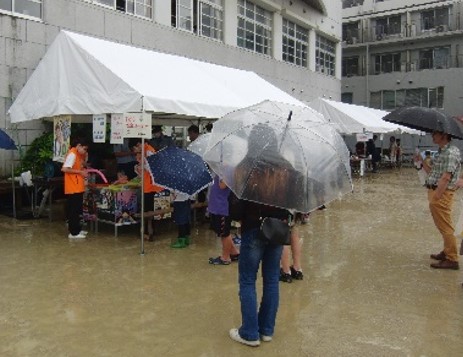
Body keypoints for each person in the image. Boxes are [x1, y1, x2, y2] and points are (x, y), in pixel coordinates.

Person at [229, 124, 295, 347]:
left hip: (253, 229)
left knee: (247, 281)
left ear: (252, 143)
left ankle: (249, 333)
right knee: (272, 280)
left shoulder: (245, 168)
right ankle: (266, 330)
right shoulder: (287, 168)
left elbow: (235, 209)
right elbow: (293, 202)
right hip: (276, 230)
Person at [419, 130, 461, 270]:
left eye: (435, 134)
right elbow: (433, 172)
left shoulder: (450, 152)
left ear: (444, 135)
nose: (432, 136)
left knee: (445, 226)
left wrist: (437, 196)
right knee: (443, 225)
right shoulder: (443, 151)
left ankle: (452, 258)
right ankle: (447, 251)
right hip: (436, 191)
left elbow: (446, 177)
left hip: (441, 193)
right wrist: (420, 162)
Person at [130, 138, 164, 242]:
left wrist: (142, 166)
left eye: (134, 148)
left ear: (138, 144)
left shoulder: (149, 151)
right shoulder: (145, 151)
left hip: (152, 187)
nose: (134, 151)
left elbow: (153, 167)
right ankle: (148, 232)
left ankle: (149, 232)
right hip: (148, 185)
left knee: (148, 211)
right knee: (148, 210)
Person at [208, 175, 240, 265]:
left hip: (222, 207)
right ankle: (234, 252)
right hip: (217, 206)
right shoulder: (222, 170)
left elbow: (222, 185)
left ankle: (225, 257)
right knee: (223, 232)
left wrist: (221, 173)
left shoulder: (226, 171)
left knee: (224, 233)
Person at [61, 137, 89, 239]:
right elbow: (65, 169)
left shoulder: (77, 154)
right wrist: (80, 172)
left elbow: (81, 165)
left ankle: (77, 229)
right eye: (84, 149)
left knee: (77, 209)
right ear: (79, 146)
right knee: (74, 210)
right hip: (73, 186)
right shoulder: (72, 154)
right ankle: (73, 232)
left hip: (77, 186)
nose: (85, 151)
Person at [279, 218, 303, 283]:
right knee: (294, 228)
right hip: (296, 209)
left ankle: (286, 271)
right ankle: (297, 269)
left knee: (283, 230)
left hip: (284, 209)